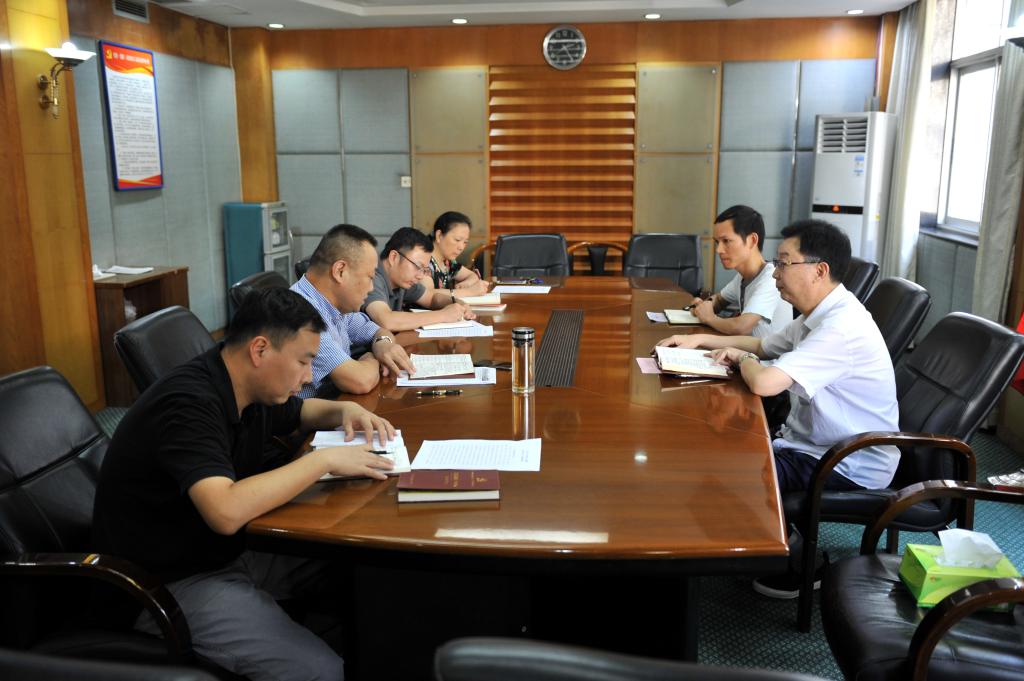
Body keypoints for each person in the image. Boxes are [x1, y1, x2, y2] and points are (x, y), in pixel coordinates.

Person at [93, 288, 397, 681]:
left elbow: (304, 410)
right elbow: (224, 511)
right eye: (304, 361)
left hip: (228, 550)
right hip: (168, 582)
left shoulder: (248, 386)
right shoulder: (188, 405)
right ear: (260, 350)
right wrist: (323, 460)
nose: (309, 376)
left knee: (372, 570)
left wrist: (346, 409)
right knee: (321, 672)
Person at [657, 219, 899, 598]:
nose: (775, 274)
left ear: (819, 270)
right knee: (718, 453)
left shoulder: (840, 327)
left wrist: (739, 358)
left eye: (784, 263)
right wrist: (700, 341)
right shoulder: (818, 313)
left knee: (725, 467)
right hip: (814, 445)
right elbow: (764, 346)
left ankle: (801, 564)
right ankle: (769, 542)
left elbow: (764, 381)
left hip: (845, 463)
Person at [291, 223, 415, 397]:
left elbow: (377, 331)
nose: (371, 288)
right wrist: (371, 356)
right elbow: (360, 381)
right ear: (340, 271)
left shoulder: (337, 306)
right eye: (369, 277)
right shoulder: (301, 313)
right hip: (315, 413)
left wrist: (383, 344)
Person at [689, 205, 791, 337]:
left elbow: (741, 327)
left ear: (752, 240)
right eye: (717, 242)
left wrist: (710, 318)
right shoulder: (741, 277)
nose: (718, 250)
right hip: (744, 348)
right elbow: (719, 299)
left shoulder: (771, 278)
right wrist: (703, 306)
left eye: (726, 241)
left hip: (766, 351)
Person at [362, 227, 475, 332]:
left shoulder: (402, 280)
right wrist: (444, 315)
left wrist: (457, 303)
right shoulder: (371, 277)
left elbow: (431, 298)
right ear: (394, 257)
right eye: (418, 266)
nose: (420, 276)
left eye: (424, 270)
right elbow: (387, 320)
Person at [424, 211, 489, 297]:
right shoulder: (424, 261)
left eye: (465, 242)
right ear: (439, 235)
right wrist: (468, 292)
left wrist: (466, 284)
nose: (461, 247)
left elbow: (472, 275)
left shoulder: (447, 261)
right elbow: (427, 294)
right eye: (457, 240)